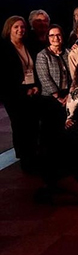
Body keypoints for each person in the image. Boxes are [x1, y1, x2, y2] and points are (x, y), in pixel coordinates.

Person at [1, 16, 41, 172]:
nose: (20, 30)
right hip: (13, 94)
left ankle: (33, 156)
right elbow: (4, 76)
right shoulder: (3, 48)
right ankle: (25, 159)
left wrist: (36, 86)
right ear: (9, 29)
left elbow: (35, 68)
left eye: (23, 27)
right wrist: (23, 90)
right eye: (16, 27)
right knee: (20, 126)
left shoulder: (29, 45)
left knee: (32, 125)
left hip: (32, 90)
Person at [35, 24, 70, 149]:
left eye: (58, 35)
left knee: (65, 130)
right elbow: (44, 78)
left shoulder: (68, 52)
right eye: (52, 35)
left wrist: (69, 94)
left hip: (68, 95)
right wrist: (57, 96)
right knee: (50, 131)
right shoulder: (42, 55)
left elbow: (74, 75)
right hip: (50, 99)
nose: (55, 38)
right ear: (48, 38)